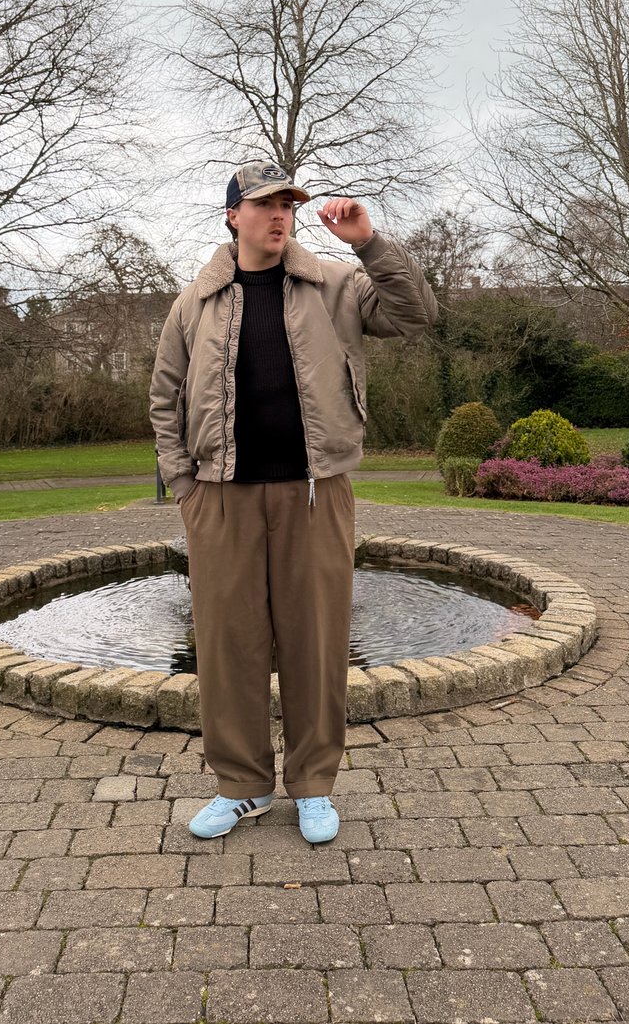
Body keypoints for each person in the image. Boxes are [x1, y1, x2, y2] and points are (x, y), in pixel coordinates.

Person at [149, 159, 438, 843]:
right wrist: (184, 487)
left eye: (287, 203)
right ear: (232, 215)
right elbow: (164, 397)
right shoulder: (195, 300)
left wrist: (369, 243)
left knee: (316, 641)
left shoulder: (335, 282)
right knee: (227, 647)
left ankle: (312, 784)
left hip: (317, 494)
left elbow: (416, 313)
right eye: (264, 203)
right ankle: (242, 785)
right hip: (220, 499)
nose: (280, 214)